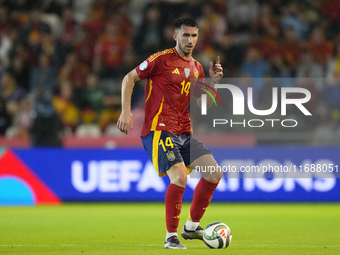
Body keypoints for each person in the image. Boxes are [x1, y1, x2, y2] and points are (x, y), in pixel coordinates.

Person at [117, 17, 223, 249]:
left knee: (214, 173)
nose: (190, 40)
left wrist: (213, 83)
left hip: (184, 131)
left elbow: (203, 104)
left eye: (194, 35)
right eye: (185, 35)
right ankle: (170, 237)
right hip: (158, 130)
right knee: (180, 177)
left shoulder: (196, 67)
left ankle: (192, 227)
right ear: (176, 36)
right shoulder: (161, 60)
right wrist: (126, 112)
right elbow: (129, 78)